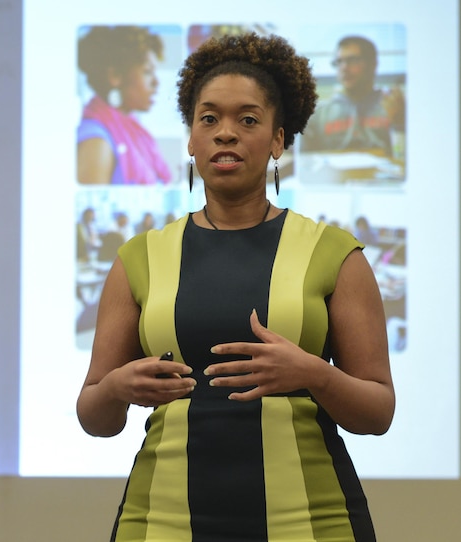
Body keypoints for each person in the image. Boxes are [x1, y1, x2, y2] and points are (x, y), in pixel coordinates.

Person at [76, 33, 394, 541]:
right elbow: (95, 415)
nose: (226, 133)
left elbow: (377, 412)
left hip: (310, 523)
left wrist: (312, 373)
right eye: (209, 119)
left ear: (277, 141)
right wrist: (116, 388)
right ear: (191, 140)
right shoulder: (140, 259)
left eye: (248, 120)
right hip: (161, 523)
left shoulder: (334, 254)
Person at [77, 26, 173, 185]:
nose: (156, 83)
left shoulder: (133, 129)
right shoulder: (96, 141)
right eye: (147, 72)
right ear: (115, 76)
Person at [301, 35, 405, 156]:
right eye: (339, 62)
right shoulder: (318, 114)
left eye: (353, 60)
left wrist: (401, 123)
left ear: (373, 64)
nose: (344, 67)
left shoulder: (394, 106)